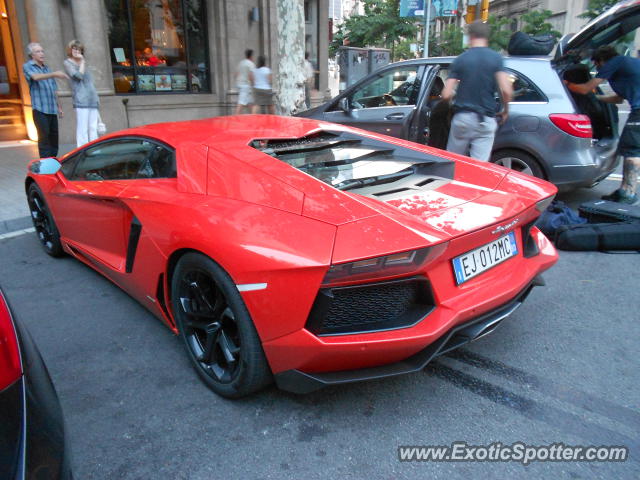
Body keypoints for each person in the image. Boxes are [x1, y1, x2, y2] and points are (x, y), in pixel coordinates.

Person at [565, 45, 640, 204]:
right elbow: (618, 99)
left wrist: (567, 85)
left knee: (632, 149)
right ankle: (624, 190)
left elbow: (586, 88)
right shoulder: (623, 67)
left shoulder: (615, 62)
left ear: (602, 60)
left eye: (597, 64)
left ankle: (629, 193)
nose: (597, 68)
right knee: (629, 147)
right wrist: (597, 99)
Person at [441, 20, 513, 161]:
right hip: (485, 120)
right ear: (487, 37)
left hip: (463, 119)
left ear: (471, 36)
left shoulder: (461, 60)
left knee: (453, 163)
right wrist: (505, 111)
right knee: (479, 168)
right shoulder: (496, 59)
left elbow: (446, 94)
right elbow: (507, 91)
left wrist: (451, 105)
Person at [23, 42, 67, 158]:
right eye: (38, 51)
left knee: (54, 140)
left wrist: (59, 107)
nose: (42, 53)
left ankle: (52, 162)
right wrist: (55, 74)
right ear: (32, 55)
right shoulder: (28, 66)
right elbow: (35, 77)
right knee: (44, 139)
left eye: (42, 51)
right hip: (40, 109)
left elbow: (54, 90)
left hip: (52, 109)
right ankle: (45, 164)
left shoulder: (47, 68)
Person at [64, 40, 100, 147]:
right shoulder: (68, 63)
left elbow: (90, 81)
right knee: (82, 128)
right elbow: (78, 76)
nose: (76, 51)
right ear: (70, 50)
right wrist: (82, 62)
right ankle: (82, 149)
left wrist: (96, 97)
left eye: (78, 49)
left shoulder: (84, 62)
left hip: (92, 97)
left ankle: (95, 148)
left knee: (93, 127)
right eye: (74, 48)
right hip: (80, 99)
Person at [235, 49, 255, 114]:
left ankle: (253, 116)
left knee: (250, 102)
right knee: (241, 102)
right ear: (251, 56)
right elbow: (251, 76)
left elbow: (236, 74)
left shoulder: (241, 63)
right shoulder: (251, 64)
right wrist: (253, 84)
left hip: (240, 84)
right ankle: (235, 118)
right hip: (245, 85)